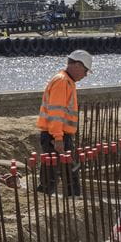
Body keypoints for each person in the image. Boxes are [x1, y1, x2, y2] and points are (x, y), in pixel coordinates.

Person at [36, 50, 92, 195]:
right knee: (57, 173)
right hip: (54, 136)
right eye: (85, 71)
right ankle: (50, 198)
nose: (85, 75)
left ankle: (51, 196)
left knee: (59, 172)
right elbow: (56, 113)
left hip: (57, 135)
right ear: (78, 65)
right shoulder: (62, 81)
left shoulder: (67, 81)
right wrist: (58, 138)